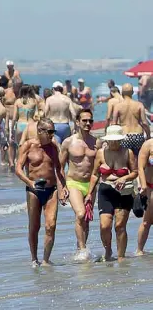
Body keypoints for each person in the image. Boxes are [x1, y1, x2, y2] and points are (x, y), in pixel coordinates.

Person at [15, 118, 68, 267]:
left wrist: (64, 187)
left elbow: (59, 169)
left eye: (53, 132)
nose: (52, 135)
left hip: (52, 190)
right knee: (34, 226)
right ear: (40, 131)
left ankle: (45, 260)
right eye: (49, 132)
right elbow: (18, 169)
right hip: (34, 190)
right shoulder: (28, 146)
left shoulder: (54, 146)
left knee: (51, 225)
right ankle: (34, 258)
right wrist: (30, 182)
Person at [84, 125, 138, 262]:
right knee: (104, 225)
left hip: (124, 192)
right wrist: (89, 193)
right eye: (111, 140)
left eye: (116, 140)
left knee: (120, 226)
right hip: (106, 190)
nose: (114, 143)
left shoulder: (128, 152)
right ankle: (108, 250)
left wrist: (124, 177)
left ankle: (121, 257)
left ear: (121, 140)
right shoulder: (101, 153)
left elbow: (135, 172)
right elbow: (95, 174)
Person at [60, 109, 101, 256]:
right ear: (77, 122)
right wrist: (62, 188)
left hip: (90, 185)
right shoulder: (68, 142)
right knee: (80, 214)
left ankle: (80, 248)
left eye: (90, 120)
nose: (88, 123)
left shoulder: (97, 142)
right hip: (74, 183)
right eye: (84, 120)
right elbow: (59, 167)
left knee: (87, 219)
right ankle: (83, 250)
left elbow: (100, 166)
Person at [112, 83, 150, 156]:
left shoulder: (118, 106)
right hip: (137, 135)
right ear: (132, 92)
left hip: (124, 135)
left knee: (125, 158)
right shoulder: (139, 105)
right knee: (138, 158)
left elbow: (114, 124)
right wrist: (148, 135)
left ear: (122, 93)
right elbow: (144, 123)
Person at [136, 139, 153, 255]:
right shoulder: (148, 145)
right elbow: (140, 167)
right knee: (147, 222)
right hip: (150, 187)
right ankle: (139, 250)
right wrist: (142, 185)